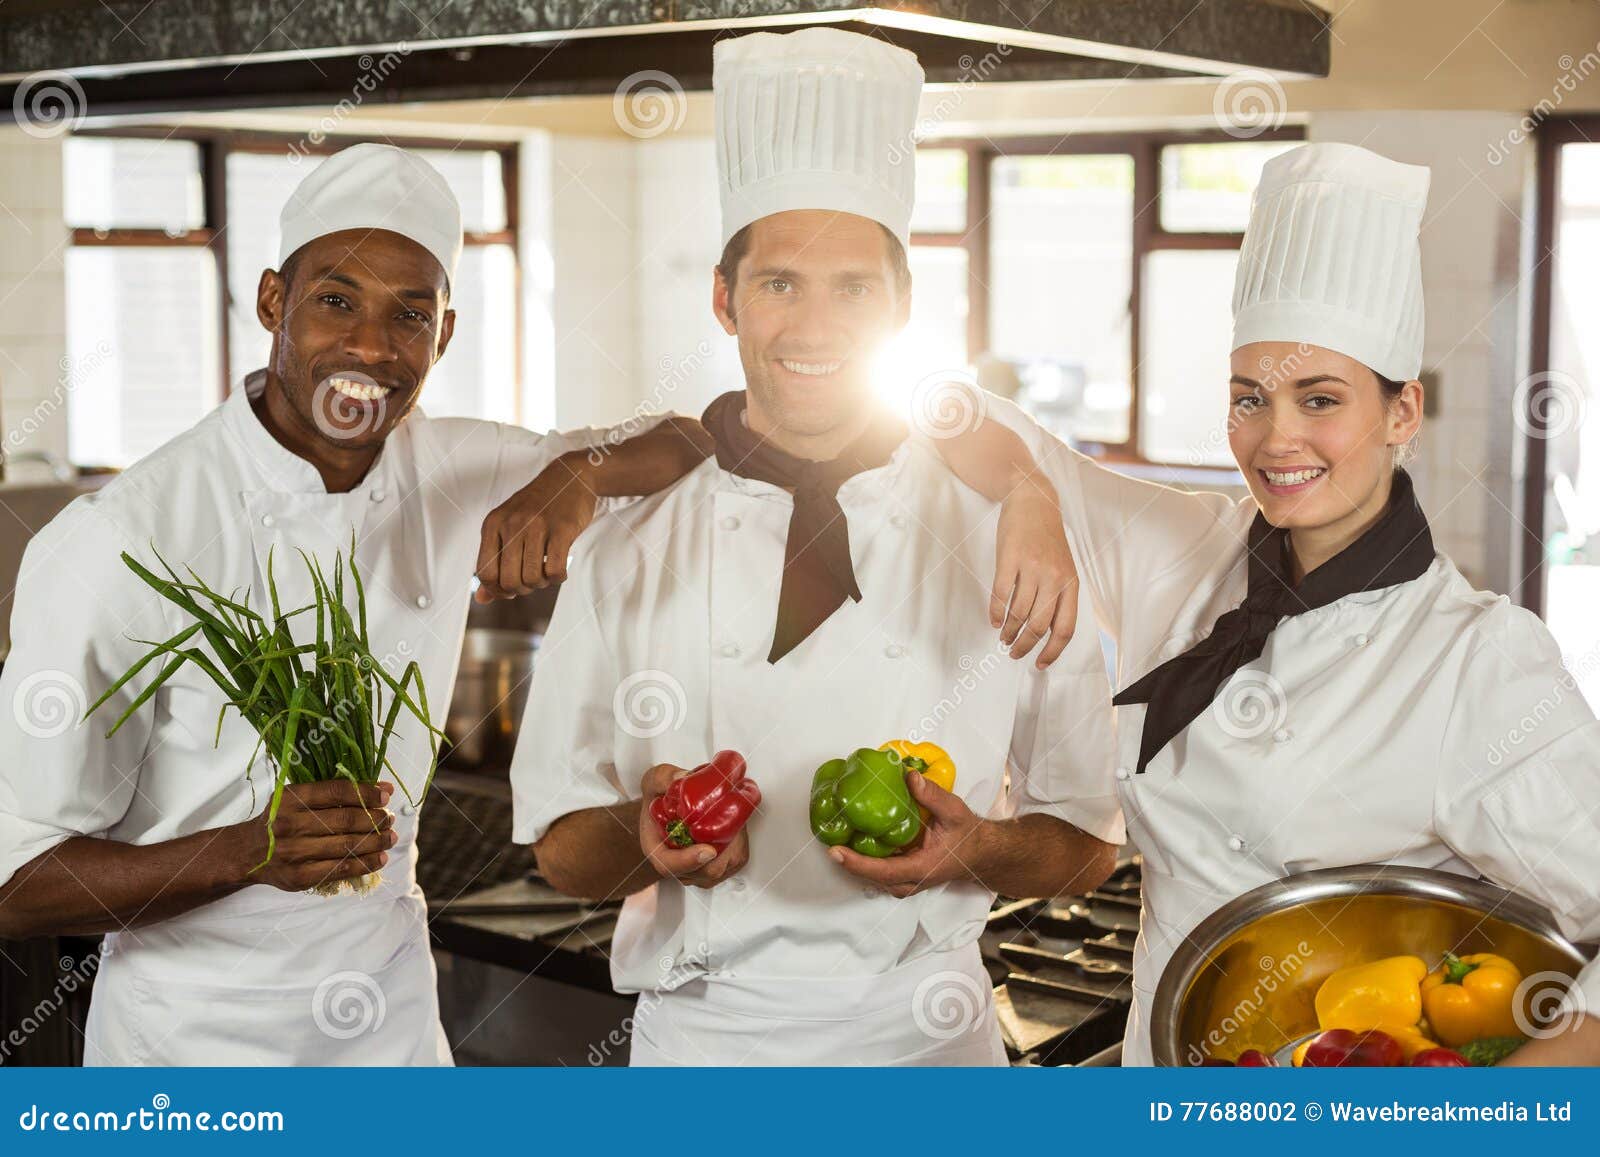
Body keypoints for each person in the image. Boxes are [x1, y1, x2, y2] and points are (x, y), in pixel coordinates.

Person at [0, 143, 712, 1065]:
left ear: (444, 335)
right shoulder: (121, 537)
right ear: (272, 303)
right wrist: (249, 852)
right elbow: (17, 883)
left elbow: (696, 438)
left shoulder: (455, 465)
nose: (372, 347)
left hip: (394, 1035)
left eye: (409, 315)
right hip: (193, 1054)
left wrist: (579, 473)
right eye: (336, 301)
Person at [511, 27, 1124, 1067]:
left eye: (853, 286)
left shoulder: (1013, 542)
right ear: (725, 297)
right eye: (780, 282)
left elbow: (1087, 844)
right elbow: (562, 844)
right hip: (702, 1046)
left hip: (926, 1038)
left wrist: (972, 846)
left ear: (901, 304)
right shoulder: (629, 551)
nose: (814, 322)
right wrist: (642, 836)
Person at [943, 141, 1600, 1065]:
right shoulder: (1182, 548)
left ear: (1403, 413)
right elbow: (945, 409)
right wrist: (1030, 494)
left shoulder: (1476, 661)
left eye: (1319, 398)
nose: (1276, 437)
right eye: (1249, 398)